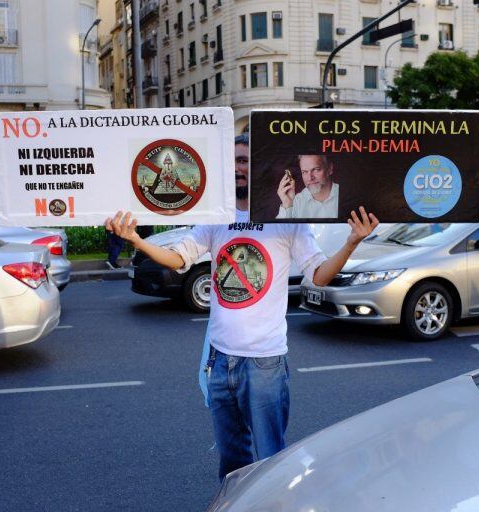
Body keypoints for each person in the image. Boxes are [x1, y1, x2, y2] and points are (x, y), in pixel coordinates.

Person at [106, 134, 378, 481]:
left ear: (259, 166)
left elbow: (319, 275)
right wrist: (136, 240)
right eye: (234, 160)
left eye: (246, 160)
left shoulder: (287, 217)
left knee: (271, 463)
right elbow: (178, 259)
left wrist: (352, 242)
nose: (239, 167)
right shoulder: (216, 216)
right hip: (219, 361)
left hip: (264, 363)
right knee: (232, 463)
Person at [276, 154, 339, 219]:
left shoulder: (344, 195)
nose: (310, 178)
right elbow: (280, 228)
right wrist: (287, 204)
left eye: (316, 170)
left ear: (329, 169)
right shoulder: (297, 201)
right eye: (304, 172)